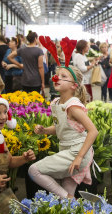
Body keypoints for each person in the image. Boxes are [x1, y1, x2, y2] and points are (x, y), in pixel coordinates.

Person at [30, 56, 99, 199]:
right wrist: (45, 131)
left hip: (77, 153)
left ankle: (69, 198)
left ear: (74, 85)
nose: (57, 78)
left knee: (33, 170)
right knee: (66, 194)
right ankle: (70, 205)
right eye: (56, 76)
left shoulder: (73, 106)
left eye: (63, 76)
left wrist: (79, 157)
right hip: (67, 151)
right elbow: (63, 128)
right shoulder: (56, 102)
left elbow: (93, 131)